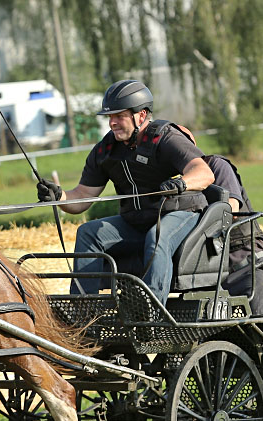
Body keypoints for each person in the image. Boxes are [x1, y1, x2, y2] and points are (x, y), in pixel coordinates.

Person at [36, 79, 214, 303]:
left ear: (141, 115)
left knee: (156, 237)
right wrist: (58, 196)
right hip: (137, 222)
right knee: (88, 233)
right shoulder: (105, 150)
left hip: (182, 215)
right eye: (110, 117)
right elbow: (81, 198)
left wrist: (181, 184)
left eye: (119, 116)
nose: (112, 123)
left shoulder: (166, 138)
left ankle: (150, 310)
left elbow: (204, 173)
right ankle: (83, 311)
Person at [202, 154, 263, 315]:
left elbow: (231, 208)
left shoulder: (216, 165)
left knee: (261, 329)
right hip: (215, 276)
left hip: (247, 267)